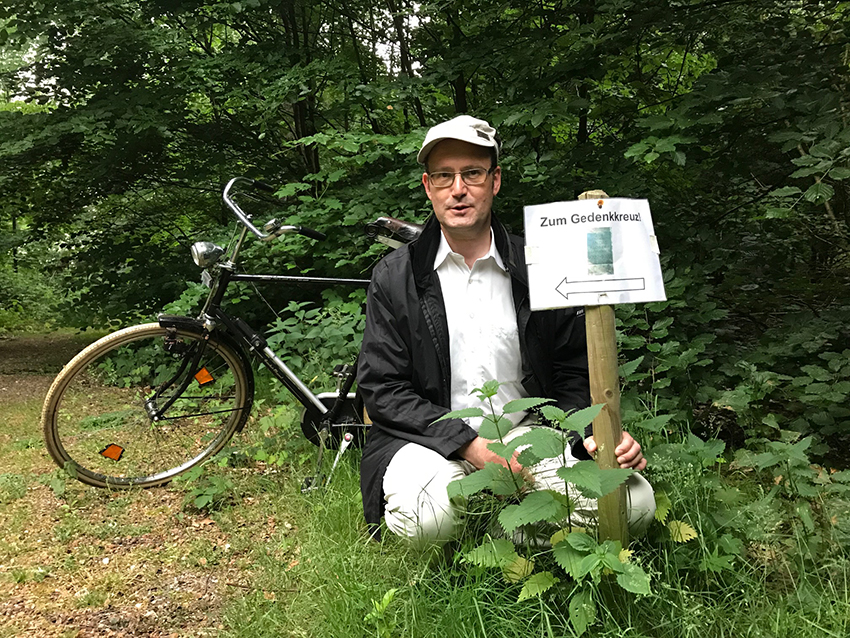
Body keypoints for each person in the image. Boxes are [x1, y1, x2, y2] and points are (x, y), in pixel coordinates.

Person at [357, 115, 654, 545]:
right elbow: (383, 389)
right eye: (443, 176)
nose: (458, 189)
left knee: (634, 503)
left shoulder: (540, 266)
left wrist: (591, 435)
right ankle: (493, 522)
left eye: (472, 173)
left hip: (525, 434)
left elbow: (573, 372)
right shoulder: (395, 277)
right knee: (427, 520)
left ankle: (499, 529)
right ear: (428, 186)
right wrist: (469, 445)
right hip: (430, 440)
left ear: (495, 180)